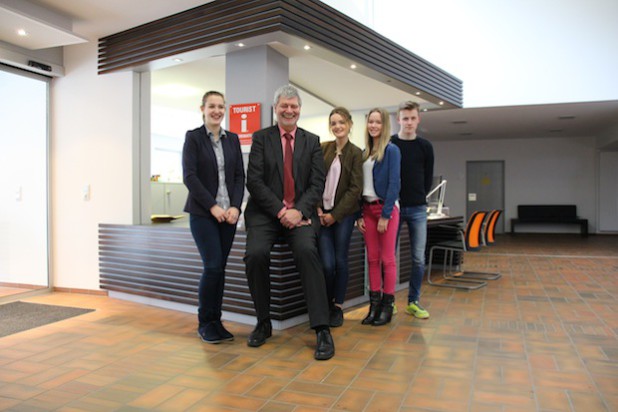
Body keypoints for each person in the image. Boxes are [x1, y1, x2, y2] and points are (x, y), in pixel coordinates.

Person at [244, 84, 335, 360]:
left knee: (308, 252)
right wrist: (281, 211)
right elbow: (254, 181)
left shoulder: (312, 141)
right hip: (265, 213)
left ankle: (321, 328)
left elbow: (317, 183)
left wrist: (299, 211)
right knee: (255, 255)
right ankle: (263, 322)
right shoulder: (260, 138)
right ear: (276, 108)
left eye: (294, 106)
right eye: (284, 105)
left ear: (299, 110)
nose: (289, 110)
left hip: (300, 214)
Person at [182, 90, 245, 343]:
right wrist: (213, 207)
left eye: (221, 106)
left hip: (228, 216)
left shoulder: (232, 139)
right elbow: (190, 177)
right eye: (212, 106)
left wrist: (235, 207)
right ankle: (205, 322)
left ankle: (216, 321)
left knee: (220, 269)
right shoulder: (194, 138)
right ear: (203, 109)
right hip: (203, 215)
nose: (217, 111)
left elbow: (240, 176)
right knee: (212, 266)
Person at [317, 107, 363, 327]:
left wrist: (334, 216)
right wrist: (317, 208)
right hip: (321, 214)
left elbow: (355, 189)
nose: (337, 127)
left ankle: (337, 306)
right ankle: (325, 304)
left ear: (350, 124)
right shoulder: (324, 148)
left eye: (341, 122)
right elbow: (314, 179)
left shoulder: (356, 153)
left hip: (343, 215)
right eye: (333, 123)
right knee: (326, 264)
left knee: (340, 259)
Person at [357, 108, 401, 326]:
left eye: (378, 122)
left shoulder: (391, 150)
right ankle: (374, 305)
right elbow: (359, 186)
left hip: (386, 210)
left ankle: (388, 306)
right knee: (372, 259)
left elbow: (394, 184)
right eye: (370, 122)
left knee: (387, 259)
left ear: (384, 126)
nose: (373, 126)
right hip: (367, 210)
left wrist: (385, 215)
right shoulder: (366, 152)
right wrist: (359, 215)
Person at [391, 101, 434, 319]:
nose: (408, 122)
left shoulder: (425, 146)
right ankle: (389, 301)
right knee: (389, 256)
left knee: (418, 258)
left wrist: (419, 197)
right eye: (405, 118)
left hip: (418, 208)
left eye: (412, 118)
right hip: (394, 207)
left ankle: (413, 301)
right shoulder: (390, 143)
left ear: (418, 119)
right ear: (398, 119)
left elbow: (427, 179)